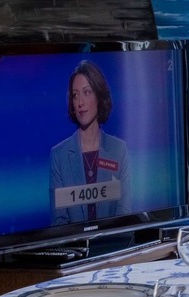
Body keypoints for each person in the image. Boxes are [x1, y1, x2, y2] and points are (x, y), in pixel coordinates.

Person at [50, 61, 131, 225]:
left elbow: (124, 214)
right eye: (75, 95)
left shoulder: (119, 150)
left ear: (99, 97)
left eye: (87, 92)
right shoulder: (58, 155)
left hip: (114, 245)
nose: (80, 102)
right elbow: (59, 222)